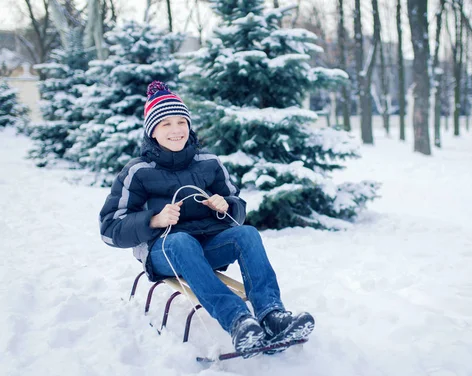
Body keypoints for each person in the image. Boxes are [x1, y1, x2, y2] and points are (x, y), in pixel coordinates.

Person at [99, 81, 314, 357]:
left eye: (181, 122)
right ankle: (238, 322)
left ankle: (272, 315)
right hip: (164, 252)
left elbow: (238, 206)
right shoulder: (137, 172)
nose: (176, 130)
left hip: (208, 245)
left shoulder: (209, 162)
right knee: (181, 241)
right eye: (165, 124)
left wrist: (226, 206)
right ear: (152, 130)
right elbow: (109, 228)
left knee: (247, 234)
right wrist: (152, 220)